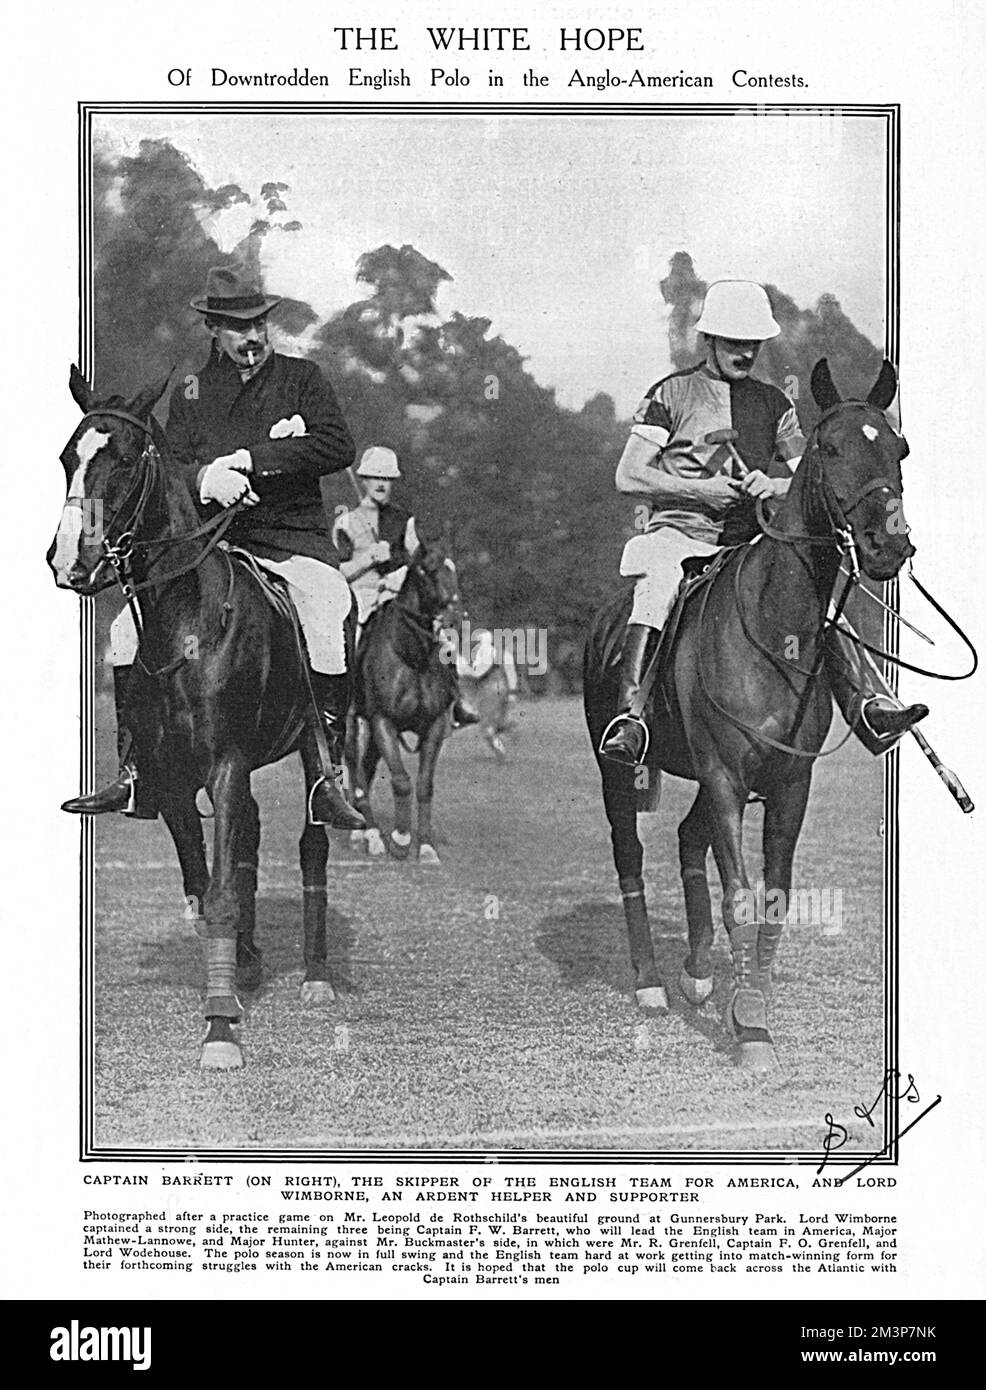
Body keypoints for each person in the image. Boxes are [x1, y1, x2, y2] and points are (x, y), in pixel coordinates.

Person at [62, 265, 366, 829]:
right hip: (214, 547)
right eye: (236, 328)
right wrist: (204, 477)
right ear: (213, 331)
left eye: (259, 326)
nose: (251, 339)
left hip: (289, 543)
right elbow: (170, 462)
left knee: (329, 608)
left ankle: (327, 775)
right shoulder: (193, 390)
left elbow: (336, 444)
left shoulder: (303, 377)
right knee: (126, 630)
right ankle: (136, 774)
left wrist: (256, 459)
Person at [599, 278, 928, 764]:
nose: (744, 352)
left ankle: (867, 704)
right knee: (659, 584)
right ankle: (633, 716)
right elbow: (628, 474)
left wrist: (769, 485)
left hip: (751, 539)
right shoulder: (670, 394)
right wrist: (702, 489)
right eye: (734, 341)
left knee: (820, 587)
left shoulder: (776, 404)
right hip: (678, 535)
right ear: (709, 340)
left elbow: (804, 480)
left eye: (752, 343)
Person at [333, 446, 479, 727]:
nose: (380, 484)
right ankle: (346, 704)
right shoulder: (347, 523)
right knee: (351, 639)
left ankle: (456, 701)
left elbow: (417, 563)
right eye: (375, 477)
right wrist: (368, 559)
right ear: (363, 480)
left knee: (443, 640)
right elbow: (338, 572)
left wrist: (397, 573)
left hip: (399, 592)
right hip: (362, 596)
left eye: (386, 478)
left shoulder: (405, 522)